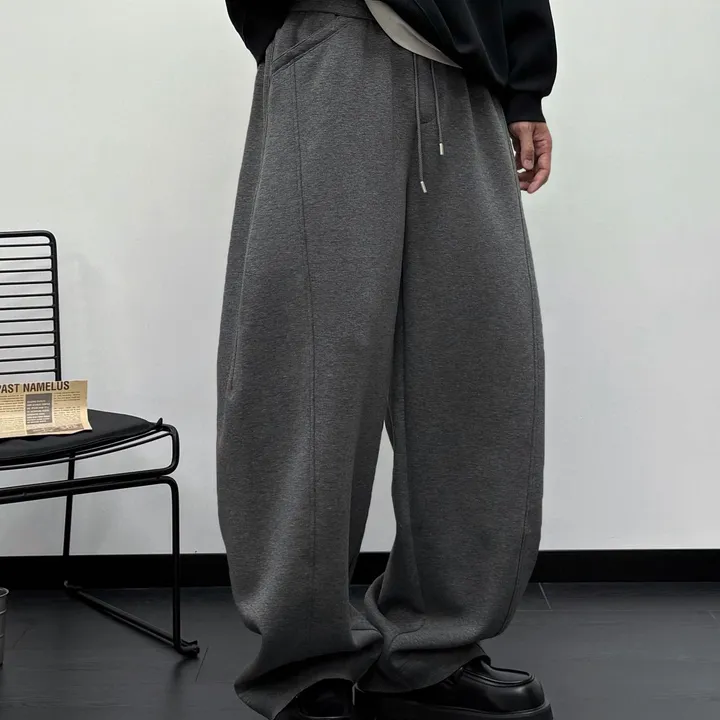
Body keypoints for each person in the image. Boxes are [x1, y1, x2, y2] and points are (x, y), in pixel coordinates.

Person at [216, 1, 557, 719]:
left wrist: (525, 86)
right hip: (336, 40)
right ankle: (305, 655)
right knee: (309, 366)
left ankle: (435, 646)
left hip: (466, 72)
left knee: (479, 363)